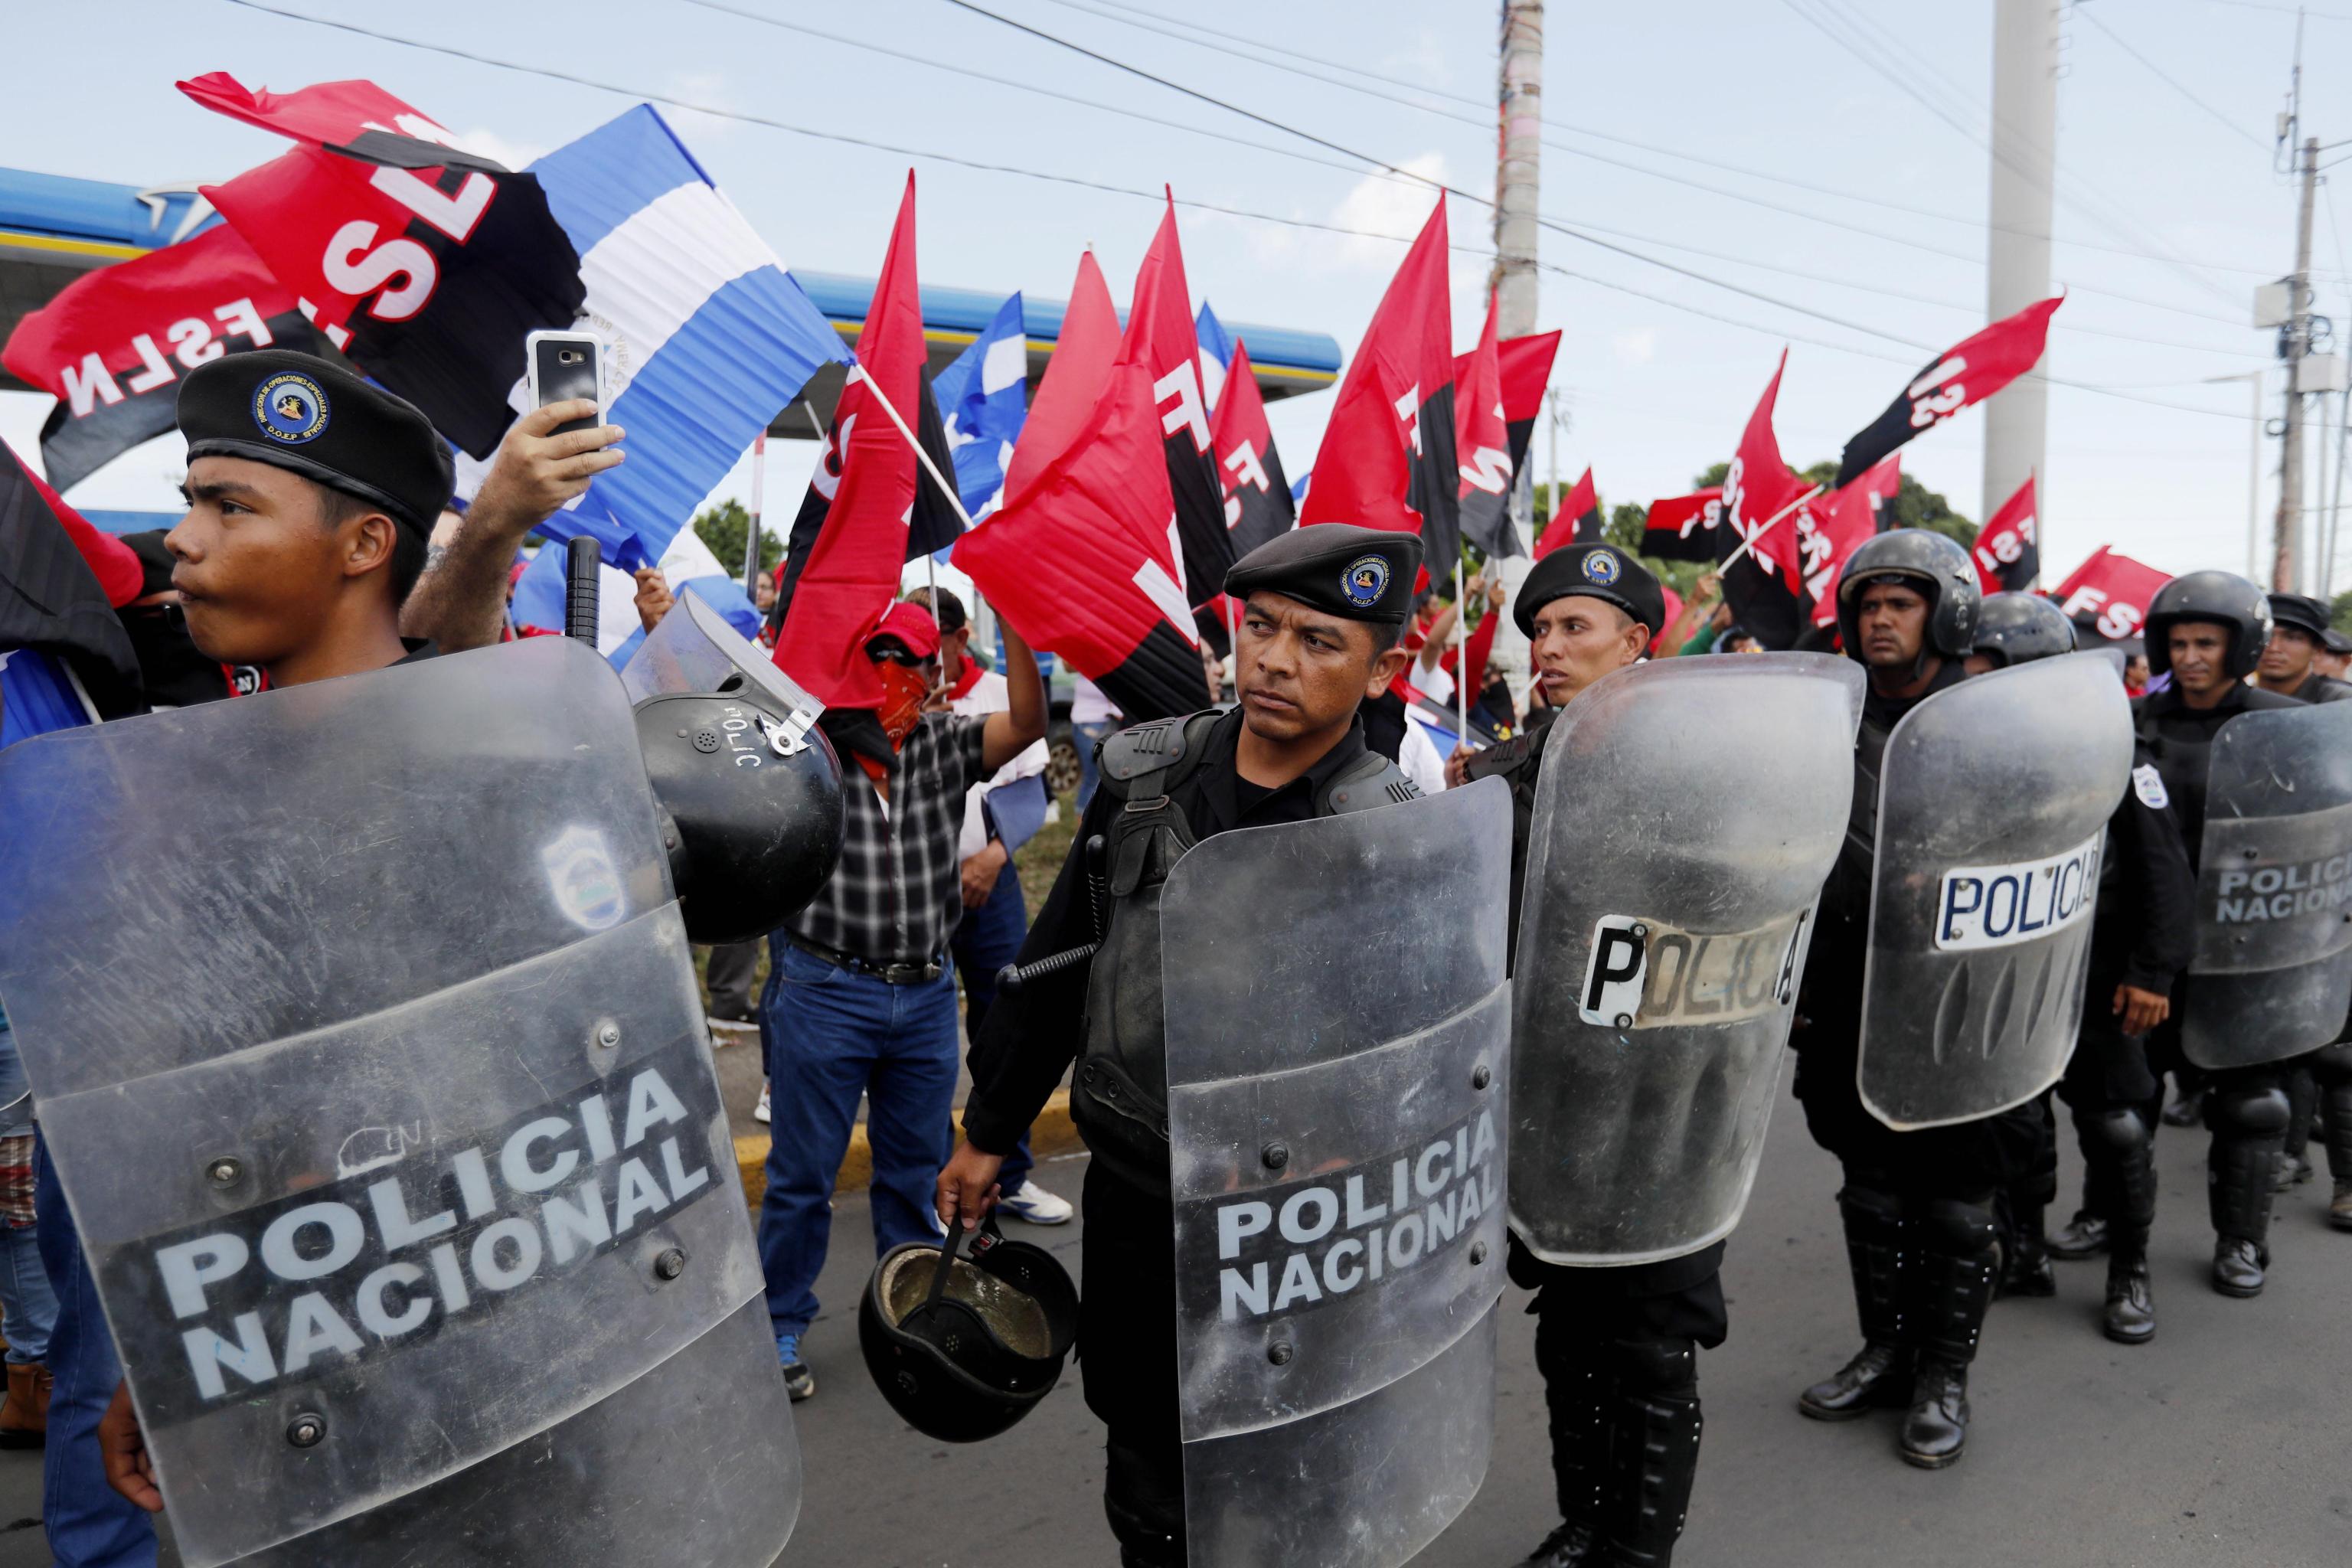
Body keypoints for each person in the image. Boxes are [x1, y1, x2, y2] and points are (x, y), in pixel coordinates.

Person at [63, 351, 626, 1560]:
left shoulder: (483, 781)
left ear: (365, 547)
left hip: (486, 1395)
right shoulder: (216, 781)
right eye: (190, 499)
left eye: (229, 506)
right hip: (282, 1395)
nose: (181, 539)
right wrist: (172, 1356)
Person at [936, 524, 1421, 1568]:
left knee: (1294, 1468)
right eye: (1261, 628)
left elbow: (1429, 1053)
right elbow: (1057, 961)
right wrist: (989, 1131)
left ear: (1385, 667)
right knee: (1149, 1471)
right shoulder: (1144, 782)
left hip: (1303, 1221)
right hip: (1142, 1193)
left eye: (1320, 641)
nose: (1277, 660)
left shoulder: (1397, 830)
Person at [1449, 544, 1723, 1568]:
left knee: (1651, 1339)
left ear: (1637, 642)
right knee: (1571, 1328)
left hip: (1664, 1097)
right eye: (1539, 630)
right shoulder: (1505, 772)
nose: (1548, 649)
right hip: (1552, 1100)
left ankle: (1638, 1552)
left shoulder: (1699, 768)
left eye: (1576, 628)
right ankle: (1588, 1522)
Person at [1790, 529, 2042, 1470]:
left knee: (1955, 1204)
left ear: (1947, 611)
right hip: (1849, 1006)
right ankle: (1888, 1348)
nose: (1880, 618)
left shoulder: (1997, 723)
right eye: (1867, 603)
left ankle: (1944, 1372)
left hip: (1961, 1007)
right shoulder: (1821, 723)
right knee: (1873, 1193)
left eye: (1900, 600)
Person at [757, 599, 1044, 1401]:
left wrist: (1016, 614)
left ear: (937, 669)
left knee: (915, 1174)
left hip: (921, 997)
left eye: (912, 659)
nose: (897, 674)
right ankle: (781, 1321)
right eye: (879, 655)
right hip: (826, 989)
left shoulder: (947, 745)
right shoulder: (806, 750)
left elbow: (1025, 720)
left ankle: (910, 1309)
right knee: (802, 1175)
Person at [1966, 596, 2194, 1344]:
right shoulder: (1965, 751)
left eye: (1985, 663)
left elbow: (2164, 869)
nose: (1968, 675)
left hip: (2101, 977)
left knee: (2119, 1125)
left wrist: (2154, 972)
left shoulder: (2114, 748)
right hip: (2008, 977)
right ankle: (2025, 1249)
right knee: (2015, 1120)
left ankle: (2130, 1267)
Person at [2128, 573, 2317, 1295]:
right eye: (2178, 642)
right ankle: (2109, 1221)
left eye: (2207, 641)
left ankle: (2242, 1240)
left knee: (2252, 1102)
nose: (2193, 655)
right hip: (2147, 944)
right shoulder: (2137, 724)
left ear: (2241, 644)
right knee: (2126, 1101)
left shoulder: (2281, 725)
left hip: (2246, 944)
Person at [906, 586, 1071, 1225]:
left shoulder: (1001, 689)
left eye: (935, 635)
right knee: (922, 1040)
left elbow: (1032, 789)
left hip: (987, 887)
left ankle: (1013, 1170)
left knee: (1004, 1022)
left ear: (960, 631)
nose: (926, 648)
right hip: (915, 892)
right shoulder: (898, 689)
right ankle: (931, 1186)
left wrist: (994, 856)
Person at [2252, 592, 2352, 704]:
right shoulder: (2232, 698)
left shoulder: (2341, 702)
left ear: (2318, 650)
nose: (2274, 648)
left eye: (2292, 638)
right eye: (2265, 635)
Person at [1070, 671, 1122, 810]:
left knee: (1105, 781)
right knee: (1094, 780)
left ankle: (1092, 827)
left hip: (1110, 720)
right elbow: (1068, 666)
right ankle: (1084, 830)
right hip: (1092, 722)